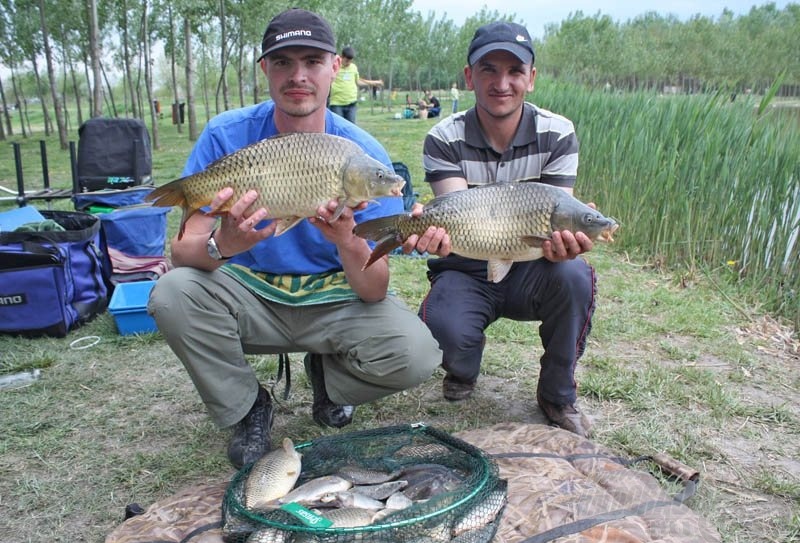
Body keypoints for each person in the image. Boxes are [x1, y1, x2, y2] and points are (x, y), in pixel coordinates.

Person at [148, 8, 442, 469]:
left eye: (311, 61)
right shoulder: (227, 136)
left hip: (332, 300)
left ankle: (330, 380)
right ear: (265, 69)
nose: (298, 75)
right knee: (171, 293)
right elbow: (182, 254)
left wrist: (347, 240)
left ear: (334, 68)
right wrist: (228, 244)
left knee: (417, 353)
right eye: (283, 62)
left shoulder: (361, 153)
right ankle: (248, 409)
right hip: (249, 294)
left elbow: (374, 288)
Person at [405, 21, 598, 438]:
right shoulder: (444, 137)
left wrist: (566, 243)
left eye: (514, 71)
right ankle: (463, 365)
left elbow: (556, 212)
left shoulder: (557, 132)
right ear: (470, 76)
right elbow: (459, 214)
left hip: (533, 263)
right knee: (446, 329)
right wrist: (430, 232)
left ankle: (556, 394)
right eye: (489, 70)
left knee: (574, 275)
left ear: (531, 77)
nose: (502, 83)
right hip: (467, 261)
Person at [328, 46, 383, 123]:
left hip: (351, 103)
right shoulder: (334, 66)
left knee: (351, 128)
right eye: (347, 61)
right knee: (338, 128)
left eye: (350, 61)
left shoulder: (353, 68)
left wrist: (374, 83)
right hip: (337, 104)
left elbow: (358, 81)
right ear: (342, 57)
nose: (348, 63)